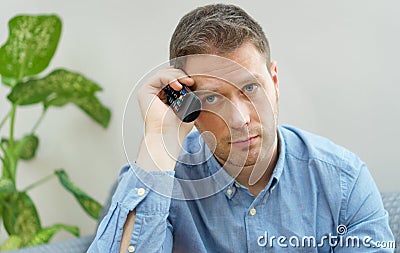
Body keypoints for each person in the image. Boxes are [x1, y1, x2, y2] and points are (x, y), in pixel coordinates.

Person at [87, 4, 394, 253]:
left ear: (274, 82)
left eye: (251, 87)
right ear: (186, 102)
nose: (240, 119)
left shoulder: (344, 181)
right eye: (211, 98)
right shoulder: (155, 181)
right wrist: (158, 138)